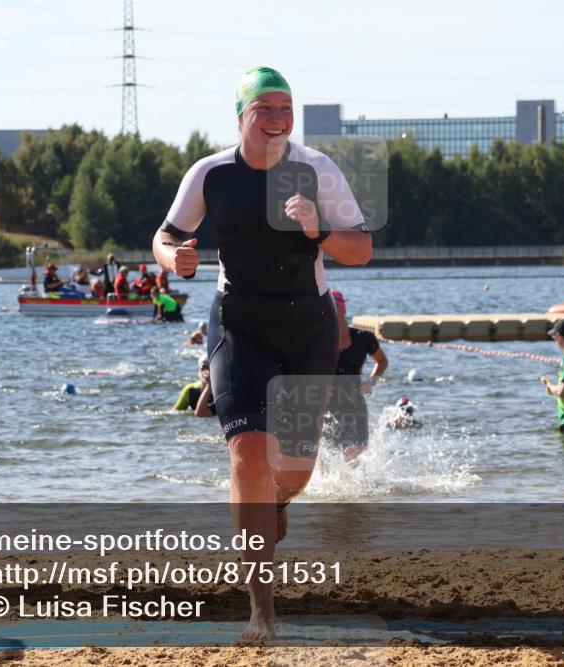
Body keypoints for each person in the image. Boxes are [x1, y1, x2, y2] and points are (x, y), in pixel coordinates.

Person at [152, 66, 371, 641]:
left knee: (293, 474)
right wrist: (173, 258)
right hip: (239, 324)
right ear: (240, 116)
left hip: (307, 328)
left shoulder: (317, 169)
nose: (277, 119)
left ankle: (274, 503)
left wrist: (319, 230)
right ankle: (261, 611)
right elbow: (165, 235)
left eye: (285, 109)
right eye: (264, 109)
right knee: (249, 454)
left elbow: (362, 249)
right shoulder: (211, 173)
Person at [328, 290, 388, 460]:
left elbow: (382, 361)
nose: (334, 313)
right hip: (327, 401)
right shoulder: (320, 340)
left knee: (360, 445)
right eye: (330, 309)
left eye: (337, 308)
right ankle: (327, 476)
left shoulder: (363, 338)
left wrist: (371, 382)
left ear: (344, 310)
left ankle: (352, 476)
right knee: (329, 449)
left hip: (354, 398)